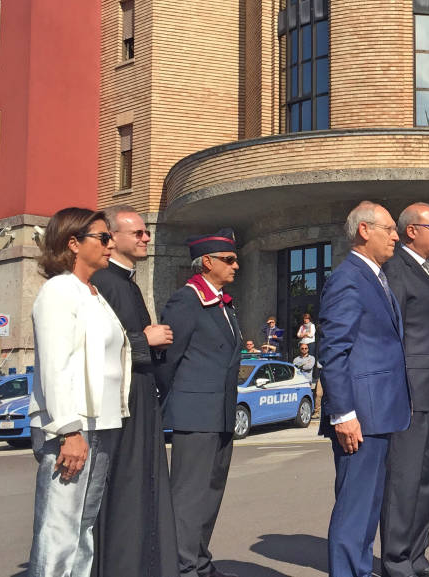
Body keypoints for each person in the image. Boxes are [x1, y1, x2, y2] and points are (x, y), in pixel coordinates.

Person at [27, 208, 130, 577]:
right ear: (73, 243)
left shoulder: (95, 294)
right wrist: (68, 430)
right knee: (59, 528)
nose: (110, 244)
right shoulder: (58, 291)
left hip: (101, 422)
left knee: (83, 526)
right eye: (103, 238)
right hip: (71, 427)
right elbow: (54, 366)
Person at [318, 201, 412, 577]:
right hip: (359, 415)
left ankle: (358, 569)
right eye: (388, 228)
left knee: (369, 505)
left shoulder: (375, 276)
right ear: (364, 231)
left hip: (379, 412)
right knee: (354, 508)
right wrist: (343, 414)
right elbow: (333, 350)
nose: (395, 235)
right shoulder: (348, 278)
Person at [90, 206, 177, 577]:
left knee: (144, 485)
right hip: (124, 401)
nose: (146, 238)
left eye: (146, 232)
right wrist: (146, 340)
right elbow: (98, 345)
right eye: (137, 233)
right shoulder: (106, 282)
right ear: (113, 238)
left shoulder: (127, 281)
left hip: (140, 396)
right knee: (126, 487)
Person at [379, 202, 429, 577]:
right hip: (411, 393)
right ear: (412, 230)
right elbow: (389, 332)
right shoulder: (397, 269)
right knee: (404, 479)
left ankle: (417, 555)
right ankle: (396, 560)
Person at [157, 228, 243, 577]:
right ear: (206, 262)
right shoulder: (187, 300)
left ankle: (200, 562)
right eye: (229, 260)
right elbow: (168, 361)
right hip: (196, 413)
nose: (236, 266)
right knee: (189, 498)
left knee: (210, 496)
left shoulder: (223, 303)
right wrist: (180, 401)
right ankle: (182, 568)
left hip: (220, 411)